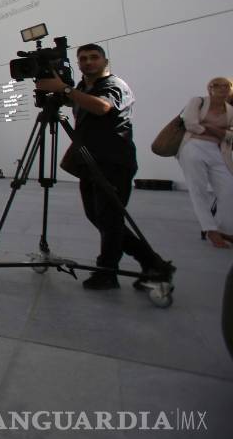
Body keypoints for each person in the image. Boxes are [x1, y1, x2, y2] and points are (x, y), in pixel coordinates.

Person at [36, 43, 173, 290]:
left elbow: (102, 107)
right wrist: (57, 89)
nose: (88, 62)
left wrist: (63, 88)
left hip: (114, 162)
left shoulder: (114, 85)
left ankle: (108, 272)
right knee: (100, 217)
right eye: (83, 59)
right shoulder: (82, 88)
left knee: (109, 219)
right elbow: (77, 101)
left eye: (94, 57)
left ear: (105, 61)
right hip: (90, 162)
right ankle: (152, 263)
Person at [177, 77, 233, 248]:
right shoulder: (198, 102)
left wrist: (209, 127)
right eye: (217, 85)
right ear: (210, 88)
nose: (222, 88)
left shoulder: (230, 110)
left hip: (218, 151)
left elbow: (230, 135)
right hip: (193, 147)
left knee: (229, 188)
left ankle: (223, 228)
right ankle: (210, 229)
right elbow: (191, 124)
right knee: (198, 190)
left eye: (227, 86)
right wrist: (218, 131)